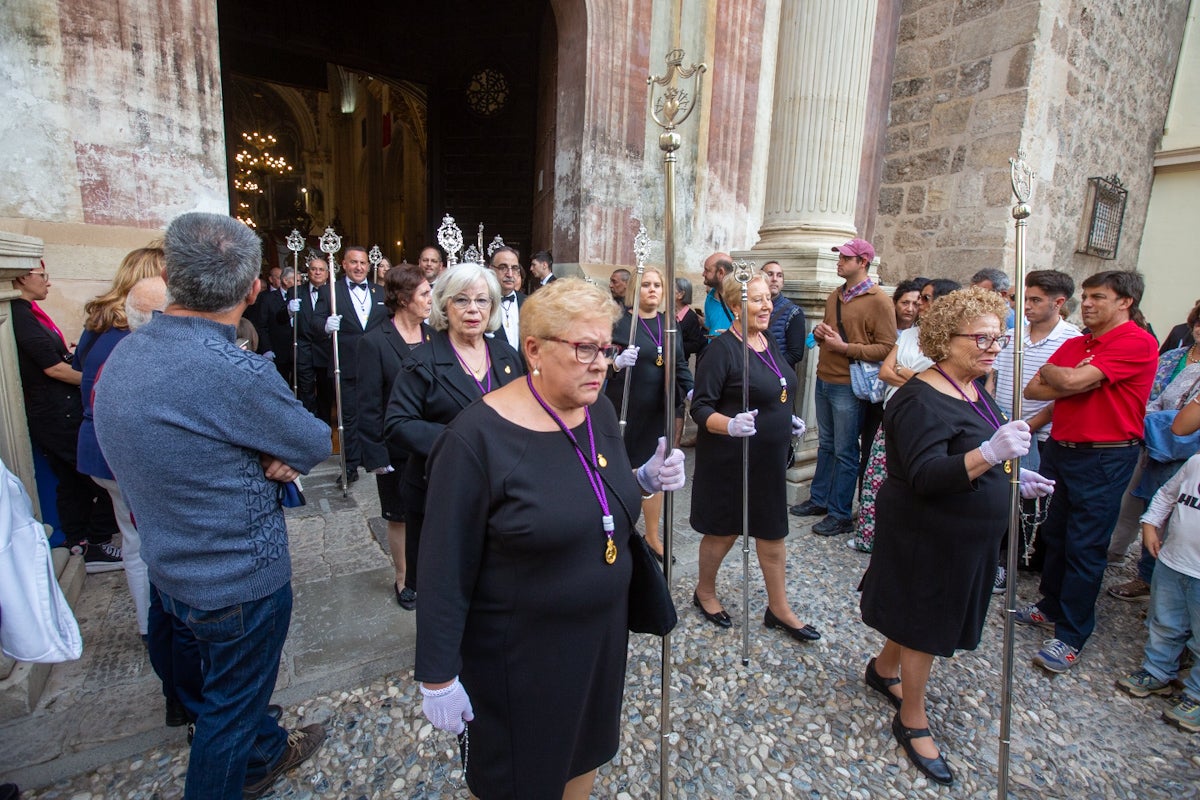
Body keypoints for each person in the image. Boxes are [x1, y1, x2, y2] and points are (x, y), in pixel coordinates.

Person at [414, 278, 685, 798]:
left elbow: (591, 486)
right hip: (521, 655)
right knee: (523, 778)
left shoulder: (597, 410)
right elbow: (445, 565)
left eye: (605, 348)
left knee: (585, 753)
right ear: (534, 350)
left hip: (599, 639)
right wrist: (438, 675)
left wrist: (640, 481)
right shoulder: (475, 440)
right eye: (585, 348)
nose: (601, 363)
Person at [93, 212, 332, 800]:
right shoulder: (232, 371)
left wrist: (256, 451)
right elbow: (312, 440)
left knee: (228, 694)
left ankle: (267, 750)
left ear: (172, 276)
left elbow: (183, 441)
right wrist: (269, 453)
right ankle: (245, 768)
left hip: (171, 565)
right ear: (253, 290)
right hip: (236, 579)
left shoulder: (127, 351)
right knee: (227, 714)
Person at [860, 287, 1049, 786]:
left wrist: (1011, 476)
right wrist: (989, 454)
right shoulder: (920, 398)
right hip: (928, 532)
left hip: (966, 533)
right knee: (925, 622)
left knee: (922, 615)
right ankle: (912, 719)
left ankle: (882, 669)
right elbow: (925, 475)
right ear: (945, 338)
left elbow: (974, 452)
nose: (994, 347)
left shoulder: (974, 387)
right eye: (982, 337)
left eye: (1000, 337)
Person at [1018, 270, 1159, 673]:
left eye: (1098, 296)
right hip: (1062, 447)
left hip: (1105, 455)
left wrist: (1073, 379)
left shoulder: (1137, 342)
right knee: (1056, 532)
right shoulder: (1081, 343)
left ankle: (1073, 632)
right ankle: (1050, 604)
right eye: (1086, 295)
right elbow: (1034, 388)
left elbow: (1069, 378)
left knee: (1086, 543)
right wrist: (1076, 382)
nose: (1089, 303)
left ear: (1125, 302)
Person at [384, 263, 524, 610]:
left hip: (501, 491)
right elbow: (397, 424)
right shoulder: (424, 362)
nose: (473, 309)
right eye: (461, 300)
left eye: (482, 300)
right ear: (444, 305)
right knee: (444, 588)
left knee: (496, 580)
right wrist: (462, 440)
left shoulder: (507, 356)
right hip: (442, 490)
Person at [689, 273, 817, 641]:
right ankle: (705, 592)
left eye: (768, 299)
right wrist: (729, 425)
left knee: (772, 532)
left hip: (768, 460)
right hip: (731, 461)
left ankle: (779, 608)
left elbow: (778, 384)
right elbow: (700, 408)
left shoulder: (766, 340)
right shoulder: (720, 350)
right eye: (757, 300)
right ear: (734, 308)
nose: (767, 306)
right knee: (724, 531)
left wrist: (786, 416)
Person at [75, 249, 167, 632]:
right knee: (149, 541)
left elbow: (81, 369)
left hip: (99, 444)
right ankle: (158, 625)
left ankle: (151, 623)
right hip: (124, 450)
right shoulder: (134, 335)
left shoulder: (99, 327)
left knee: (134, 539)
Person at [10, 260, 120, 571]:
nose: (48, 282)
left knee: (73, 481)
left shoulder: (29, 315)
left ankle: (79, 541)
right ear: (22, 276)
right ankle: (96, 541)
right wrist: (98, 380)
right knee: (97, 478)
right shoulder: (19, 316)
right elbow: (53, 367)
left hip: (58, 410)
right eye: (42, 276)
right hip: (57, 415)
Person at [790, 238, 896, 536]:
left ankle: (840, 513)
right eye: (840, 257)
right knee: (826, 445)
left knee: (846, 451)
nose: (839, 261)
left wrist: (845, 346)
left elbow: (887, 347)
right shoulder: (836, 295)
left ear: (863, 262)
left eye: (846, 258)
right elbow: (828, 336)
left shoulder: (879, 300)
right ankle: (820, 499)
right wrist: (821, 334)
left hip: (849, 385)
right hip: (825, 378)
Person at [847, 278, 960, 554]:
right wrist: (915, 378)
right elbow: (886, 372)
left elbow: (940, 382)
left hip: (924, 421)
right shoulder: (910, 335)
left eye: (926, 298)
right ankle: (869, 536)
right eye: (920, 297)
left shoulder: (953, 342)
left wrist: (908, 376)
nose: (920, 304)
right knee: (877, 478)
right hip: (893, 415)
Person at [985, 269, 1081, 584]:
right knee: (997, 493)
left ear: (1059, 302)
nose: (1027, 306)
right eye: (1025, 299)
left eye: (1036, 300)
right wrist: (989, 417)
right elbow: (992, 379)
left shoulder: (1073, 341)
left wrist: (1027, 425)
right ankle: (993, 559)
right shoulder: (1012, 336)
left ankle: (1012, 562)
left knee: (1024, 499)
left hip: (1037, 432)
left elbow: (1064, 395)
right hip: (1000, 424)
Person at [1105, 303, 1200, 599]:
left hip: (1187, 452)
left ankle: (1162, 584)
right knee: (1145, 505)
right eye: (1198, 321)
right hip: (1154, 440)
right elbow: (1152, 394)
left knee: (1176, 517)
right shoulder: (1176, 358)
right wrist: (1153, 420)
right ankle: (1146, 575)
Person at [1114, 422, 1200, 733]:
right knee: (1164, 622)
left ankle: (1195, 695)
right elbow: (1166, 494)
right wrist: (1150, 523)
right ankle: (1158, 671)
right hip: (1173, 561)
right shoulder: (1194, 463)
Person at [356, 264, 432, 610]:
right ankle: (403, 577)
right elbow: (368, 403)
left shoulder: (435, 337)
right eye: (425, 294)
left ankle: (431, 572)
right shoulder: (375, 342)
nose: (431, 300)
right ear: (403, 299)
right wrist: (376, 455)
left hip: (432, 444)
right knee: (400, 516)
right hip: (396, 449)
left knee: (432, 513)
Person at [605, 266, 693, 559]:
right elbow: (601, 361)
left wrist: (692, 390)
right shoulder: (621, 323)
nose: (653, 290)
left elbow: (679, 362)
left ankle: (653, 535)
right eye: (646, 285)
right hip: (625, 408)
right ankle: (619, 530)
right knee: (623, 469)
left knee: (654, 471)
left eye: (657, 285)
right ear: (635, 290)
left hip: (657, 409)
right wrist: (616, 363)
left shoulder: (670, 324)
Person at [314, 245, 389, 486]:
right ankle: (349, 465)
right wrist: (326, 325)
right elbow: (313, 321)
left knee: (378, 412)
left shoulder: (380, 292)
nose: (359, 267)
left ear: (369, 266)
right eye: (353, 262)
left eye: (363, 263)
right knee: (349, 417)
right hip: (345, 364)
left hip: (377, 364)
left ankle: (375, 458)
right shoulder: (331, 292)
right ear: (344, 265)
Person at [296, 254, 333, 421]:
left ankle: (324, 425)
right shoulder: (295, 291)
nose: (317, 272)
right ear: (308, 272)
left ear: (327, 273)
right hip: (304, 348)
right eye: (313, 269)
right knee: (306, 390)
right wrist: (289, 311)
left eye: (321, 269)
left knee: (326, 390)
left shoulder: (334, 292)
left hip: (325, 349)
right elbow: (279, 320)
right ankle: (309, 423)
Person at [762, 261, 806, 368]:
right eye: (770, 274)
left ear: (782, 282)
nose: (775, 279)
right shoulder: (750, 307)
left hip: (777, 375)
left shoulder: (793, 312)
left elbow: (795, 354)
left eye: (779, 275)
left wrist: (768, 366)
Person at [490, 246, 526, 348]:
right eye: (503, 267)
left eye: (514, 268)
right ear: (491, 269)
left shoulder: (529, 303)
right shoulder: (482, 304)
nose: (510, 274)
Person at [701, 253, 734, 338]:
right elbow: (712, 327)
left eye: (707, 270)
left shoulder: (741, 298)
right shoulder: (710, 297)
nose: (703, 274)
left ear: (720, 273)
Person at [675, 277, 707, 359]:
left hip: (681, 361)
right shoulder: (667, 313)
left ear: (680, 294)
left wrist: (674, 345)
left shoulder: (691, 317)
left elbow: (695, 345)